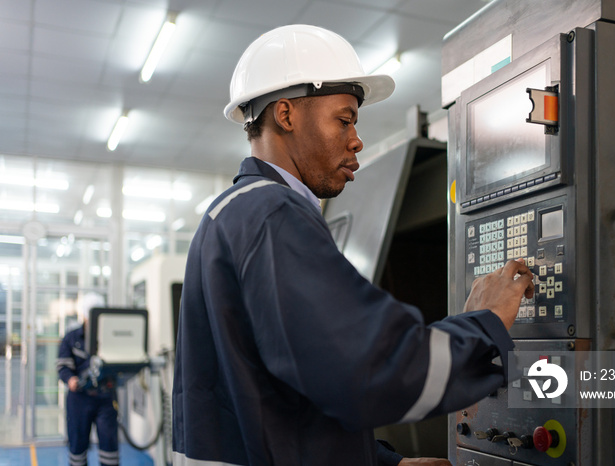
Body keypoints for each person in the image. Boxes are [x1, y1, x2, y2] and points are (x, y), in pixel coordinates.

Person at [171, 24, 534, 466]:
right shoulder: (271, 214)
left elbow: (291, 397)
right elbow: (368, 370)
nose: (356, 139)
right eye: (344, 120)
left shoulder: (233, 211)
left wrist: (386, 463)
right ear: (285, 115)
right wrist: (485, 325)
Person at [57, 293, 120, 466]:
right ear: (84, 316)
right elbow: (63, 366)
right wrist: (70, 380)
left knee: (109, 445)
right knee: (77, 444)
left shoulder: (111, 337)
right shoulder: (71, 338)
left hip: (105, 398)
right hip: (79, 399)